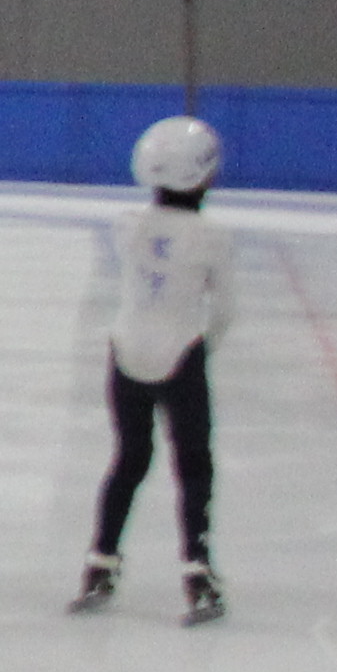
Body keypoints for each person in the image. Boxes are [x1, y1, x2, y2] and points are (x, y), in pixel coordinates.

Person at [77, 113, 232, 624]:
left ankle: (100, 562)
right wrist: (199, 351)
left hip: (125, 352)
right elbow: (225, 311)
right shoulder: (212, 237)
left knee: (129, 460)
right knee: (193, 466)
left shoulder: (127, 226)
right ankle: (197, 571)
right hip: (180, 354)